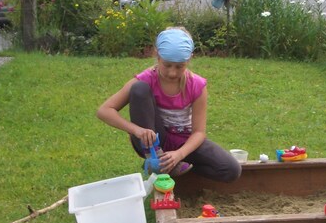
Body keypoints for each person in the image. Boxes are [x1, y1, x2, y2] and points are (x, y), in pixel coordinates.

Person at [97, 27, 241, 183]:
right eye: (167, 65)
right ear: (157, 56)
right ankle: (156, 159)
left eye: (179, 67)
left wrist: (179, 154)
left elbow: (199, 133)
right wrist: (136, 130)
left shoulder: (197, 85)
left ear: (189, 59)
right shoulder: (146, 78)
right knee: (139, 89)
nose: (172, 73)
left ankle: (176, 166)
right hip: (154, 140)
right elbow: (104, 110)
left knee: (231, 170)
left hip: (183, 141)